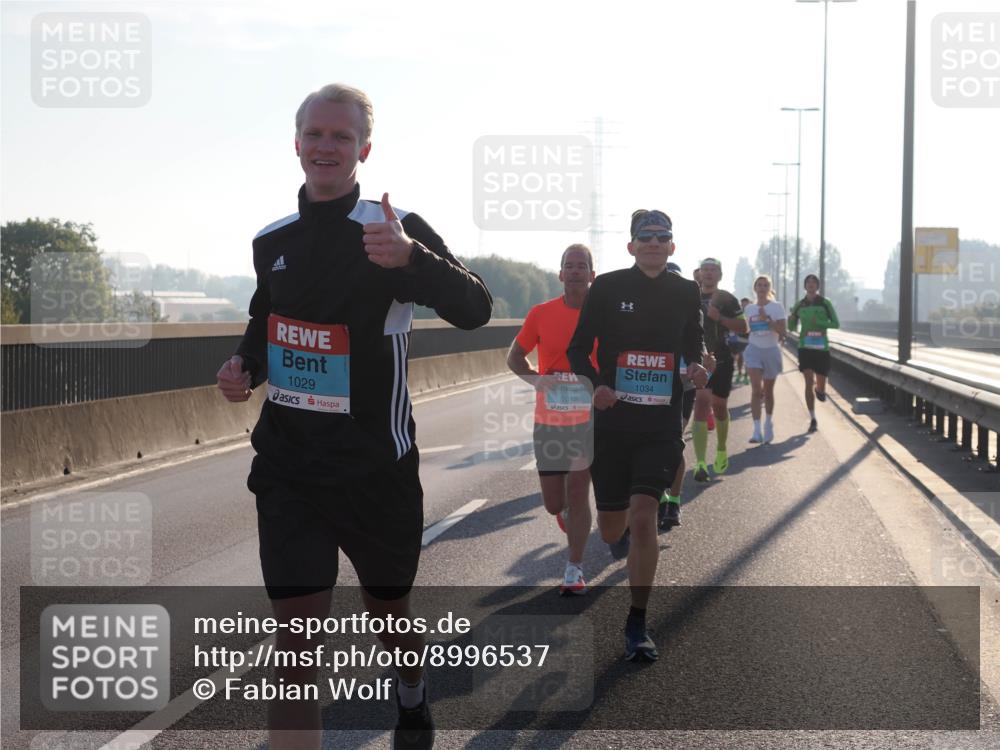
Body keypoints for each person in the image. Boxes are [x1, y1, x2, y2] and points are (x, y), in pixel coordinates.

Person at [216, 83, 492, 750]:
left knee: (388, 613)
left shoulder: (390, 229)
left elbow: (476, 309)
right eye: (315, 133)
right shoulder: (271, 240)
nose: (326, 146)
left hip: (376, 469)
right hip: (289, 468)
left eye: (341, 136)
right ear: (296, 143)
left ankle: (410, 688)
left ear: (364, 148)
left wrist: (413, 261)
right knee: (297, 643)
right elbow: (266, 320)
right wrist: (245, 367)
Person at [568, 209, 707, 662]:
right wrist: (597, 386)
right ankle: (619, 530)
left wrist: (696, 365)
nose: (653, 242)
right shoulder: (608, 287)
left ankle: (637, 620)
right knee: (614, 526)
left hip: (660, 424)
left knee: (645, 514)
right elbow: (577, 349)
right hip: (612, 424)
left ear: (672, 247)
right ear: (631, 246)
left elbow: (692, 344)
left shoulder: (686, 292)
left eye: (662, 236)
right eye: (644, 237)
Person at [507, 244, 596, 595]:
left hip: (587, 420)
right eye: (568, 266)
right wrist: (537, 379)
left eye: (581, 266)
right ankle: (566, 517)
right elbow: (515, 357)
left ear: (593, 274)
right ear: (560, 274)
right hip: (549, 420)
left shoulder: (601, 314)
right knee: (554, 504)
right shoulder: (541, 313)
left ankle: (574, 569)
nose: (574, 271)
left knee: (579, 493)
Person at [690, 258, 748, 481]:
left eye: (713, 269)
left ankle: (722, 448)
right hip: (700, 360)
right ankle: (701, 463)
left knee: (720, 406)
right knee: (702, 404)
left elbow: (744, 328)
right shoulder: (691, 296)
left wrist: (720, 318)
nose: (708, 273)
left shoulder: (727, 299)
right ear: (699, 273)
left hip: (722, 359)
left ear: (720, 274)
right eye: (705, 269)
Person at [787, 273, 840, 433]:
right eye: (808, 282)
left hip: (821, 349)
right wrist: (790, 319)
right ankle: (812, 418)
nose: (811, 284)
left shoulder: (825, 303)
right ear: (805, 286)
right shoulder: (800, 304)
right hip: (805, 347)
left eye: (814, 282)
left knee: (820, 384)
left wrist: (821, 323)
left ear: (817, 286)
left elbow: (836, 324)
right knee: (808, 381)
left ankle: (821, 390)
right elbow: (791, 328)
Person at [743, 276, 787, 443]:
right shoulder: (749, 309)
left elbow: (783, 332)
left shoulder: (776, 307)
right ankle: (756, 431)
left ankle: (768, 424)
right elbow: (746, 330)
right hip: (754, 350)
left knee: (768, 392)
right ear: (755, 288)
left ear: (770, 288)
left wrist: (768, 321)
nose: (762, 288)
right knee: (755, 389)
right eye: (759, 285)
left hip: (771, 351)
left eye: (765, 285)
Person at [735, 297, 752, 384]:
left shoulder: (752, 312)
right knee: (740, 357)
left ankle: (746, 375)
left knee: (748, 358)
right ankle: (740, 373)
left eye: (746, 304)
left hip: (750, 339)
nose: (744, 305)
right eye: (743, 304)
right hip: (740, 338)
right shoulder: (739, 313)